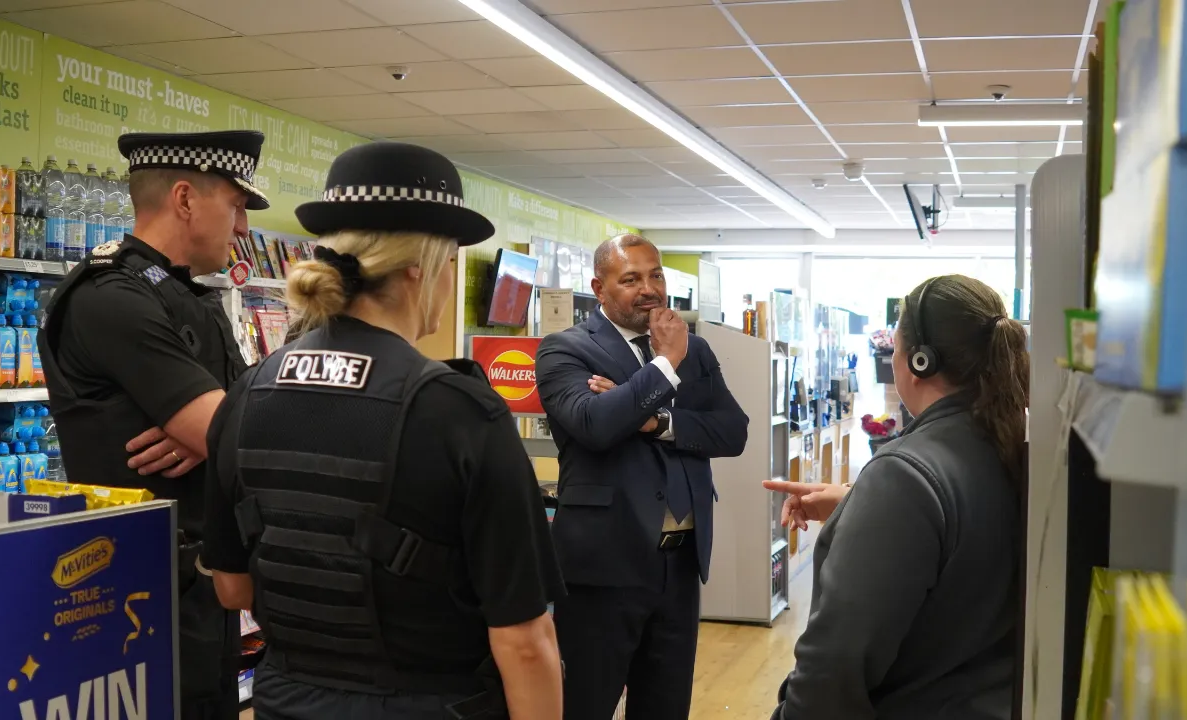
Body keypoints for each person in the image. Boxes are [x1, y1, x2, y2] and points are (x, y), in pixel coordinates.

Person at [200, 141, 565, 720]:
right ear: (421, 265)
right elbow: (524, 642)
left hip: (286, 703)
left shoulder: (250, 391)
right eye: (452, 261)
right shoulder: (459, 411)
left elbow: (232, 590)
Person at [38, 130, 270, 719]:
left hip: (197, 581)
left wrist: (211, 430)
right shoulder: (111, 296)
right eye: (237, 205)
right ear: (186, 199)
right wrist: (216, 429)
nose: (243, 227)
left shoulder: (185, 296)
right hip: (132, 589)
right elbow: (246, 433)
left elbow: (236, 419)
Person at [764, 274, 1029, 720]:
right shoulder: (1008, 444)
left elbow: (834, 667)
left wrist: (880, 500)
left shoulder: (904, 478)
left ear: (918, 361)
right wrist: (856, 504)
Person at [535, 234, 748, 720]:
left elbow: (732, 432)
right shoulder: (564, 351)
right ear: (600, 287)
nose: (648, 288)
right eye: (630, 279)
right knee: (585, 704)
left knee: (665, 707)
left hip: (679, 567)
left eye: (655, 275)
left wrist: (657, 422)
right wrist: (666, 363)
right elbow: (596, 424)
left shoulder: (696, 350)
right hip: (602, 568)